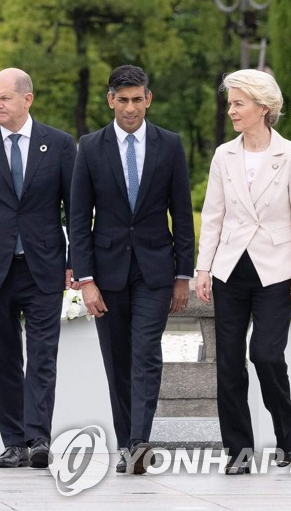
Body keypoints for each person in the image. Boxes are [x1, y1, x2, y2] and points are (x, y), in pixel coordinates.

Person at [69, 65, 195, 474]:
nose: (130, 108)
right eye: (122, 100)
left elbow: (183, 213)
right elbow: (78, 219)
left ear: (148, 99)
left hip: (156, 271)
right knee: (117, 360)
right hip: (107, 275)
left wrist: (183, 276)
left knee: (145, 354)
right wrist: (85, 280)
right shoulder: (89, 147)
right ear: (110, 100)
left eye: (137, 99)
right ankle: (127, 443)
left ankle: (140, 442)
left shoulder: (170, 144)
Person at [0, 68, 76, 469]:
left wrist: (77, 263)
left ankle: (38, 437)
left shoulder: (58, 145)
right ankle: (14, 442)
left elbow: (75, 210)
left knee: (42, 355)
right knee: (3, 357)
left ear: (28, 99)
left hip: (44, 267)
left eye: (4, 98)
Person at [194, 69, 291, 475]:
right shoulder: (223, 155)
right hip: (230, 270)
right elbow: (213, 215)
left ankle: (286, 431)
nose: (231, 110)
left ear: (264, 108)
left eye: (238, 103)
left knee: (264, 354)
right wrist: (203, 267)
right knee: (228, 363)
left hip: (276, 272)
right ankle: (238, 452)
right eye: (230, 103)